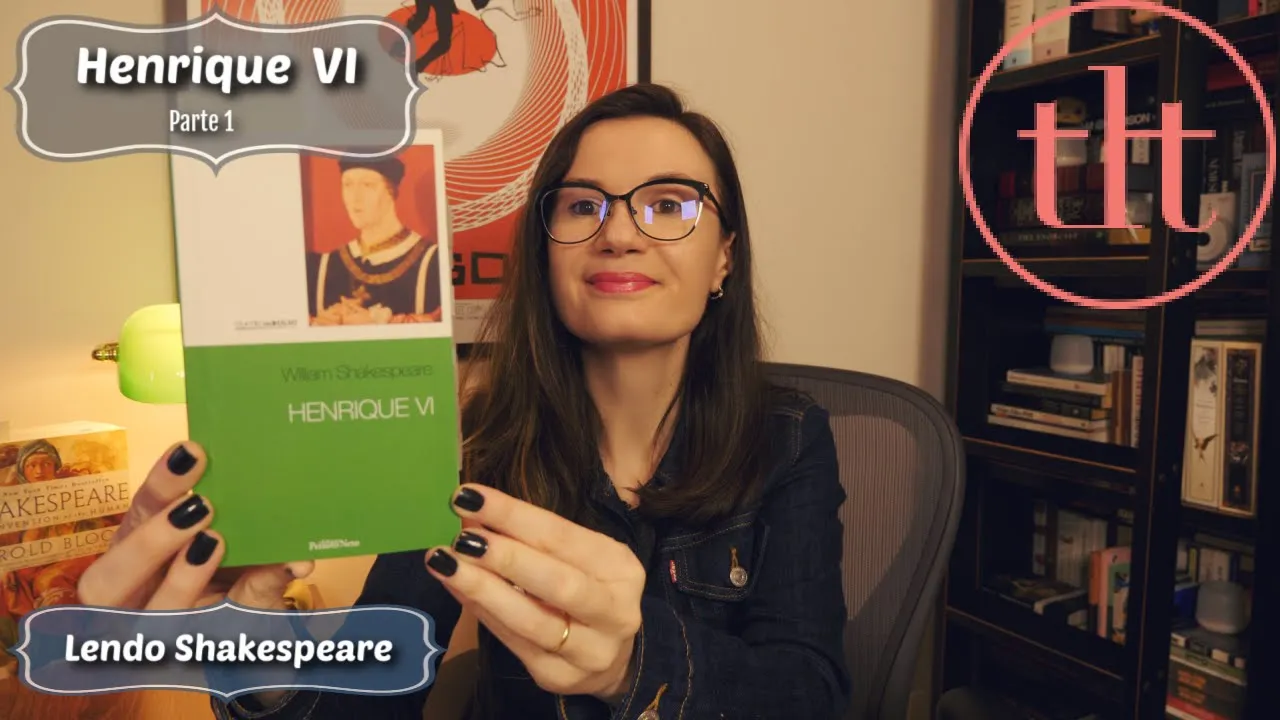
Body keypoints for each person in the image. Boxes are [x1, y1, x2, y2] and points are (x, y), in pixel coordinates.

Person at [75, 83, 852, 719]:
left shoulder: (787, 438)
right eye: (582, 206)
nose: (618, 233)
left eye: (669, 205)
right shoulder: (472, 447)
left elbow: (810, 692)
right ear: (545, 254)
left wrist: (634, 664)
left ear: (723, 259)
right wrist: (258, 649)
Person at [306, 156, 443, 325]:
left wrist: (379, 323)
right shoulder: (321, 268)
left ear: (391, 191)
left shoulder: (433, 262)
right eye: (347, 185)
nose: (355, 198)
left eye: (367, 185)